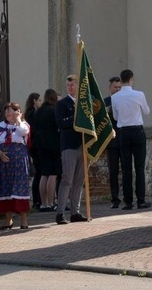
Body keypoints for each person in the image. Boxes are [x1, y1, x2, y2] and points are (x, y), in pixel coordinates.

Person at [111, 69, 151, 210]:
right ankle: (141, 200)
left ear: (121, 81)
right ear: (132, 79)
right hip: (137, 131)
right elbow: (146, 111)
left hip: (124, 132)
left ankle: (128, 202)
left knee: (126, 169)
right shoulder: (139, 94)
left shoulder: (115, 97)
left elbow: (115, 117)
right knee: (139, 168)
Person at [0, 102, 31, 229]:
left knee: (19, 188)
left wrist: (18, 120)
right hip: (3, 161)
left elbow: (24, 132)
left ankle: (24, 220)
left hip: (18, 161)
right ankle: (8, 220)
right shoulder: (0, 127)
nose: (9, 113)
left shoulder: (23, 125)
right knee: (6, 188)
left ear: (18, 112)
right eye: (7, 111)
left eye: (12, 111)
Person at [54, 75, 88, 224]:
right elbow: (60, 123)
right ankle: (60, 213)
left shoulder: (84, 104)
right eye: (68, 86)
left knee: (79, 181)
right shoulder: (62, 104)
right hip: (69, 146)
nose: (70, 87)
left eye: (73, 85)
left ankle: (76, 212)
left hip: (83, 145)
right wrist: (75, 117)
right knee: (67, 179)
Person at [34, 89, 61, 212]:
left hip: (40, 144)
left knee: (44, 174)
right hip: (53, 144)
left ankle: (43, 203)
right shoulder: (53, 110)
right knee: (53, 174)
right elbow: (58, 126)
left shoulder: (39, 111)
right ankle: (51, 202)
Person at [103, 77, 122, 209]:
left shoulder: (124, 100)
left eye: (119, 87)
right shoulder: (104, 102)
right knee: (113, 171)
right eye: (115, 87)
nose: (117, 90)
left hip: (125, 139)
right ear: (110, 88)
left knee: (126, 170)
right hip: (112, 141)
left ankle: (128, 198)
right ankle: (115, 199)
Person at [24, 92, 42, 210]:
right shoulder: (33, 113)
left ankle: (37, 200)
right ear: (34, 101)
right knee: (39, 173)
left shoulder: (31, 113)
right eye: (39, 100)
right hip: (35, 146)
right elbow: (35, 130)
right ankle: (37, 200)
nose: (40, 102)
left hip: (34, 146)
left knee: (39, 173)